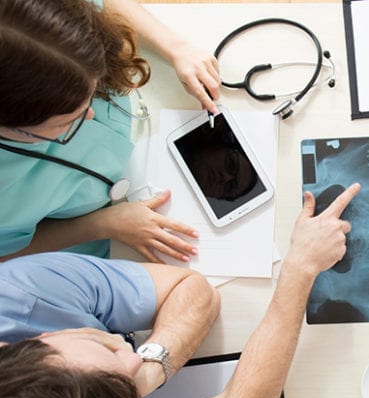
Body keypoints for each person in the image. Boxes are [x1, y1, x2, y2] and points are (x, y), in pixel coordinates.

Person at [0, 183, 361, 398]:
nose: (130, 357)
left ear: (39, 340)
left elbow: (192, 292)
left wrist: (150, 372)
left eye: (107, 349)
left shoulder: (16, 295)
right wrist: (299, 268)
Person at [0, 0, 222, 263]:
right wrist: (103, 224)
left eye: (92, 94)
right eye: (68, 119)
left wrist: (176, 48)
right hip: (94, 242)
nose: (90, 113)